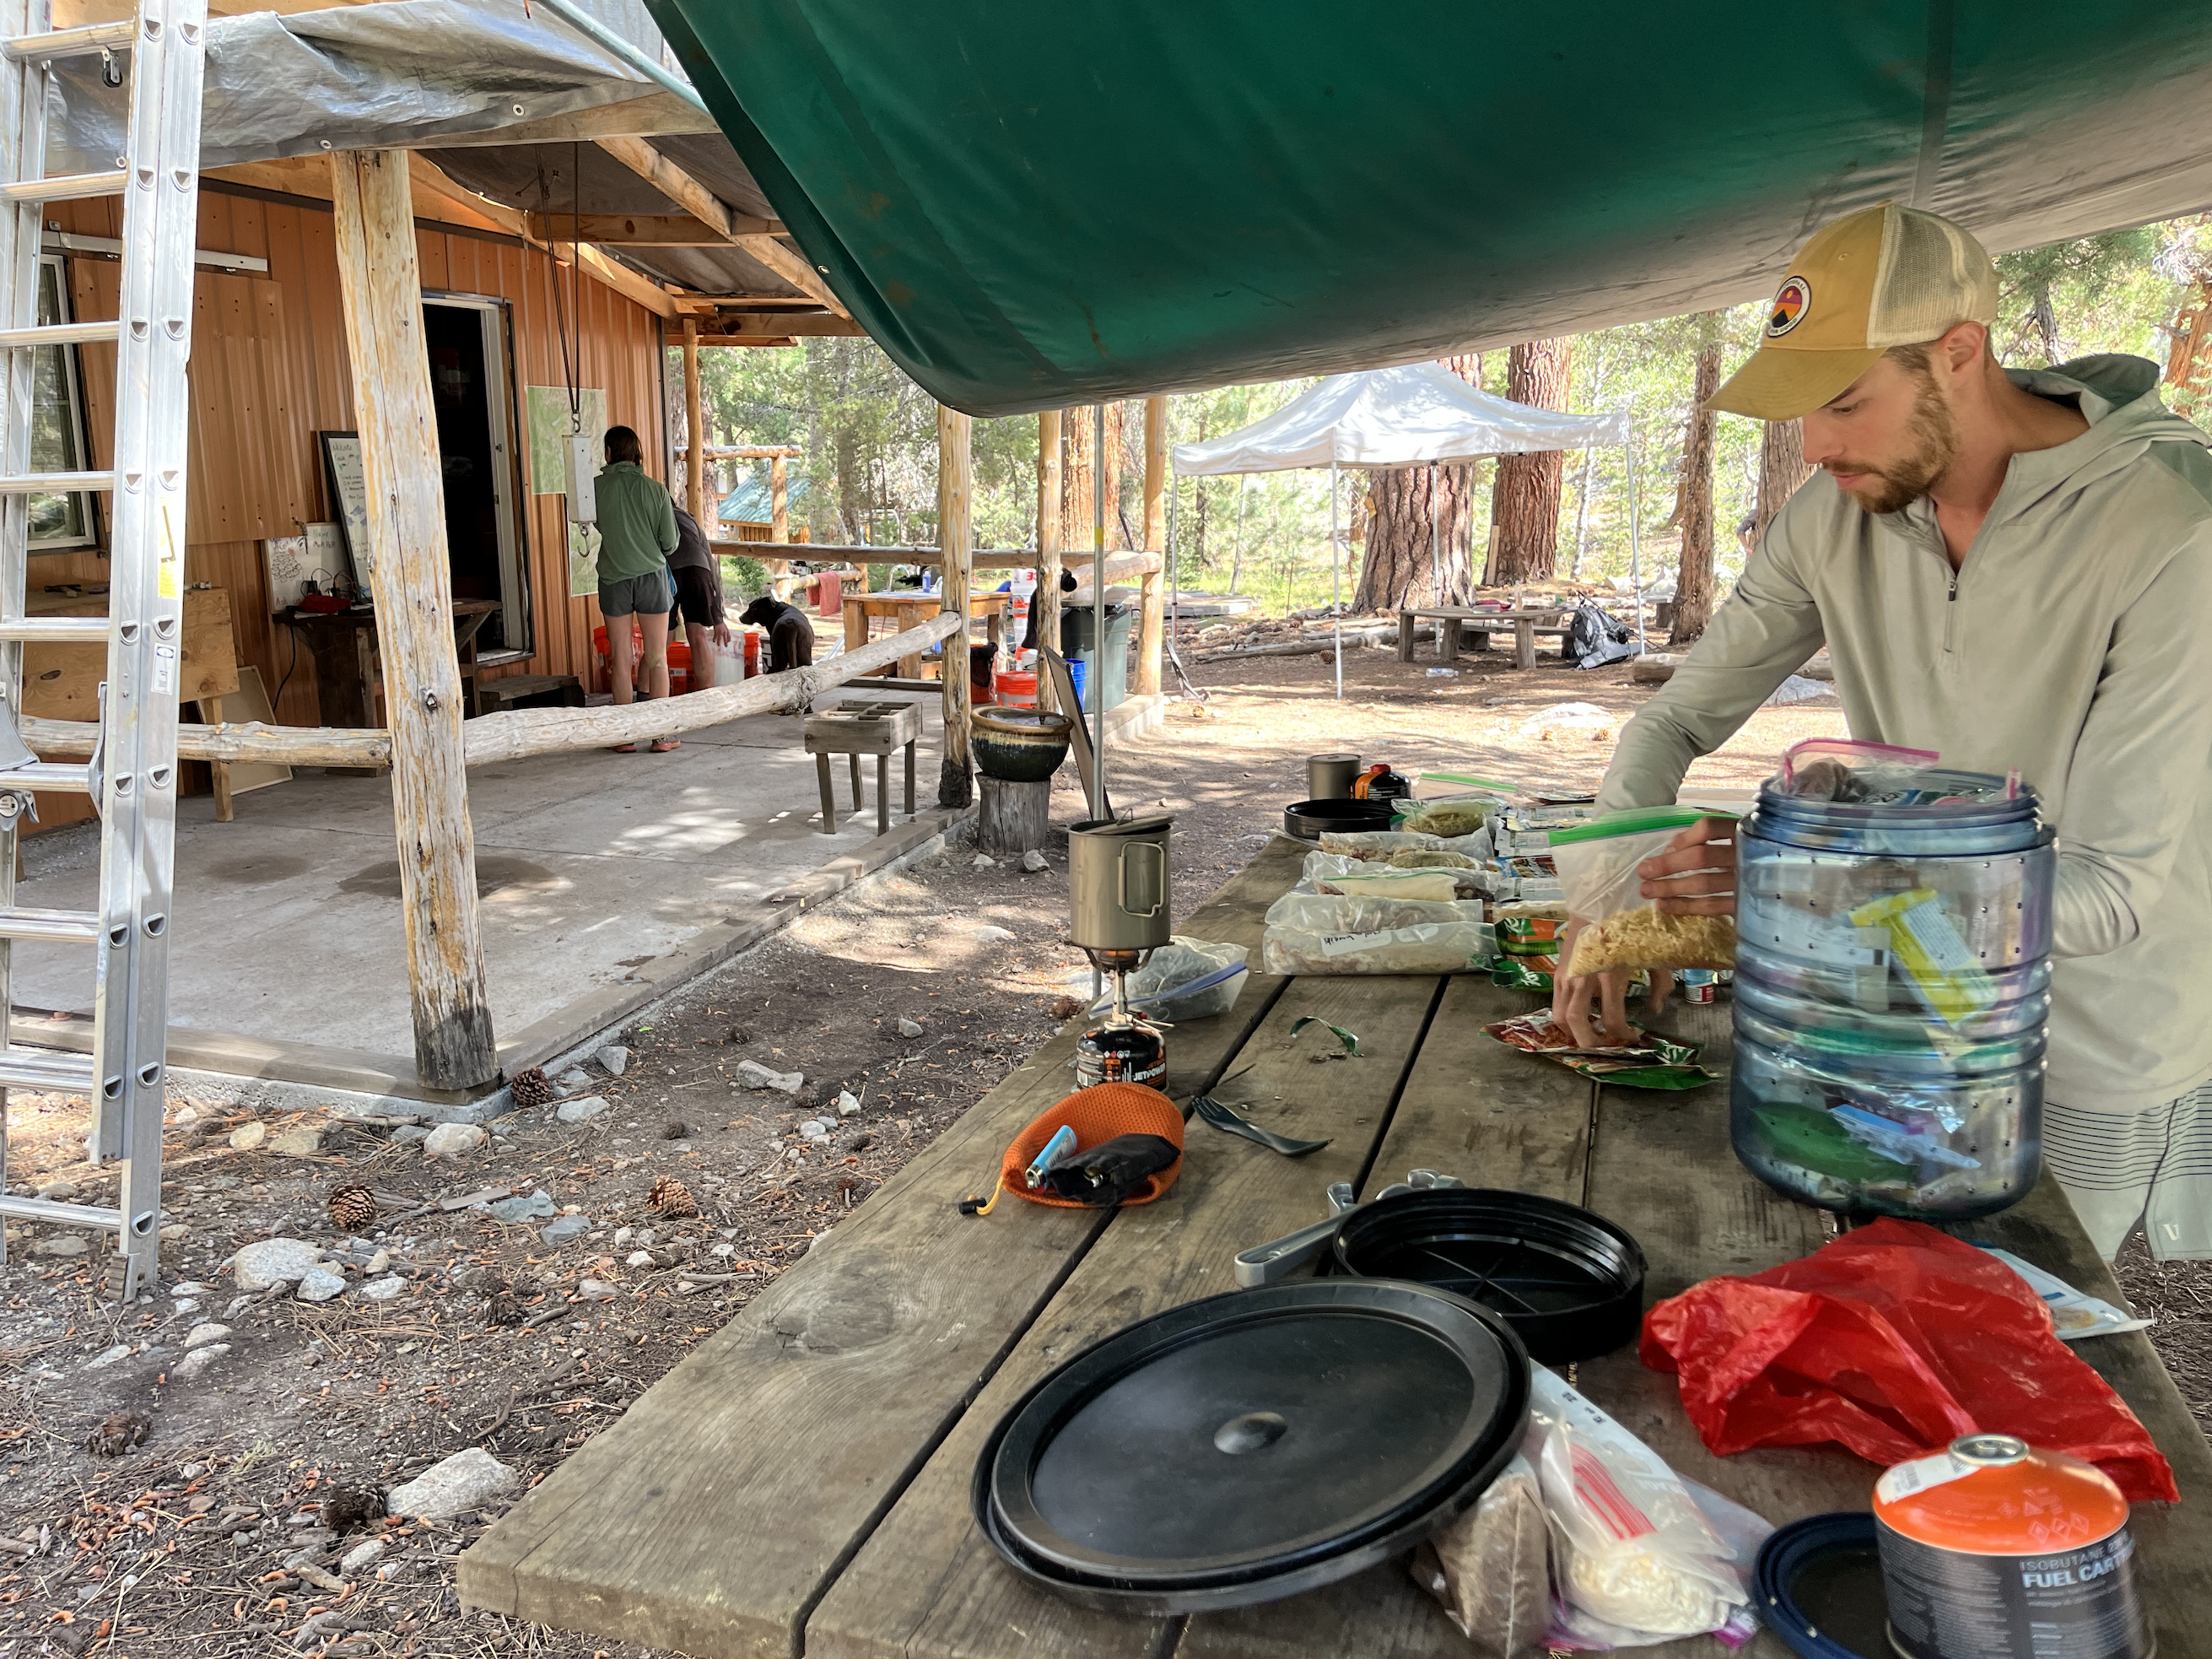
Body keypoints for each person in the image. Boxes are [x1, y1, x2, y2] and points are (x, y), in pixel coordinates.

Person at [1553, 200, 2212, 1262]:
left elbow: (2111, 891)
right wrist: (1603, 898)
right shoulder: (1834, 517)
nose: (1816, 446)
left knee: (2024, 1330)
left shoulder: (2171, 524)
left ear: (1959, 353)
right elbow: (1677, 716)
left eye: (1847, 403)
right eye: (1802, 413)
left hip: (2089, 1036)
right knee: (1881, 1306)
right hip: (1894, 1008)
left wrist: (1786, 882)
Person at [593, 425, 682, 753]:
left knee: (621, 657)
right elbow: (670, 543)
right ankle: (661, 735)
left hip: (614, 577)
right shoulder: (655, 489)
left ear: (608, 453)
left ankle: (624, 736)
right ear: (636, 452)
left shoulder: (595, 488)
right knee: (657, 657)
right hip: (652, 576)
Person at [667, 503, 733, 689]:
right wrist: (718, 617)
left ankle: (650, 697)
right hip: (699, 571)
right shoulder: (689, 520)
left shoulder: (652, 517)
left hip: (667, 572)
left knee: (660, 641)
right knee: (698, 636)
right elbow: (712, 569)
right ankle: (707, 695)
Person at [739, 592, 816, 673]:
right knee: (806, 671)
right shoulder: (781, 614)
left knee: (778, 671)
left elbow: (777, 667)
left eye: (754, 610)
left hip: (784, 627)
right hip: (802, 628)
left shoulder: (775, 620)